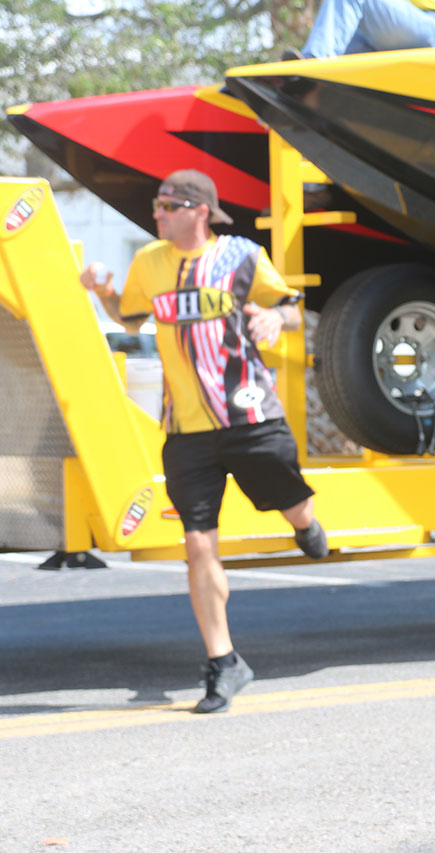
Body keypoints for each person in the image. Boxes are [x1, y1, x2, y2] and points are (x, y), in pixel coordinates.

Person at [81, 169, 329, 714]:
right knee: (197, 544)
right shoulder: (149, 263)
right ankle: (224, 662)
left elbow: (291, 308)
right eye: (156, 205)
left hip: (249, 417)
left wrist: (273, 318)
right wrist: (102, 290)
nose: (157, 213)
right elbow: (128, 315)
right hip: (186, 430)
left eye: (166, 206)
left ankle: (303, 523)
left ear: (198, 210)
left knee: (293, 503)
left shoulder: (242, 256)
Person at [287, 0, 435, 59]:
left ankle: (314, 61)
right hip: (388, 36)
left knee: (328, 47)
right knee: (339, 53)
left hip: (431, 26)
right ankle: (306, 88)